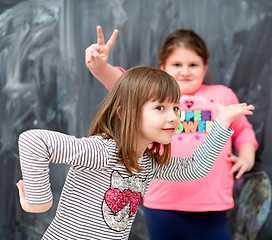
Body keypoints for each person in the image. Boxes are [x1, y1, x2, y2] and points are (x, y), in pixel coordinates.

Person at [16, 65, 255, 240]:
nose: (173, 117)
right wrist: (40, 202)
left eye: (175, 107)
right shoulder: (103, 150)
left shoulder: (146, 162)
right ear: (124, 113)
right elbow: (33, 141)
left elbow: (194, 168)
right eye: (160, 107)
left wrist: (222, 122)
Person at [85, 26, 258, 239]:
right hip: (161, 204)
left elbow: (243, 130)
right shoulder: (152, 94)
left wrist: (247, 156)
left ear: (205, 67)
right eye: (177, 64)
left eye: (193, 65)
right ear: (163, 67)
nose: (185, 71)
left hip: (211, 205)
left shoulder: (222, 96)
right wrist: (101, 68)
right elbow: (121, 84)